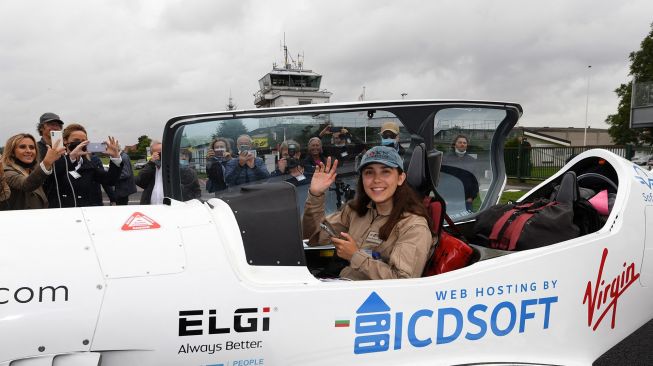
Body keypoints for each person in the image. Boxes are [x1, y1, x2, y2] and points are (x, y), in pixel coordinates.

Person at [303, 146, 433, 280]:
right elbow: (313, 237)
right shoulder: (356, 211)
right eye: (369, 172)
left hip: (371, 298)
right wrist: (316, 194)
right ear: (362, 179)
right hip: (342, 284)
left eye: (385, 172)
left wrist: (355, 256)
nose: (376, 179)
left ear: (400, 178)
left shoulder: (413, 226)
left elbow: (402, 283)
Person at [45, 124, 123, 208]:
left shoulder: (89, 164)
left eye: (83, 141)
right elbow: (52, 176)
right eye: (76, 140)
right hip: (62, 213)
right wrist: (72, 157)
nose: (80, 144)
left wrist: (115, 158)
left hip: (83, 213)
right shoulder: (56, 160)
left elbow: (110, 180)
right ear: (65, 141)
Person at [1, 133, 65, 209]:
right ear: (12, 152)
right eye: (22, 147)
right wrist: (47, 162)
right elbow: (26, 185)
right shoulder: (6, 171)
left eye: (32, 147)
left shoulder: (32, 170)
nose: (28, 151)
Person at [136, 141, 201, 204]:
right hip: (152, 209)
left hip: (172, 210)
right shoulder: (151, 168)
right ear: (152, 154)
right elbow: (140, 181)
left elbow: (195, 191)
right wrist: (151, 163)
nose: (161, 156)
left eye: (163, 152)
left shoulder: (177, 168)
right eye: (158, 153)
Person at [442, 134, 478, 211]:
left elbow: (475, 181)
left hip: (466, 200)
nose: (462, 144)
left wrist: (472, 197)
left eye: (464, 143)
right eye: (460, 142)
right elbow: (441, 179)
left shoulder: (471, 160)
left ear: (467, 145)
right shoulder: (446, 159)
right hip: (449, 200)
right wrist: (443, 198)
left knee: (467, 222)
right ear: (455, 144)